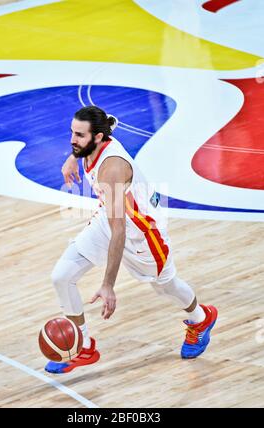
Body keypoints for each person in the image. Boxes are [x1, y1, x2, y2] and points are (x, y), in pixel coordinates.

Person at [45, 106, 218, 374]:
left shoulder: (112, 169)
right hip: (111, 216)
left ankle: (201, 319)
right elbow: (108, 124)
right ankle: (82, 346)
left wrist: (108, 285)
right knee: (62, 276)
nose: (72, 140)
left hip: (143, 232)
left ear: (98, 138)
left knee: (166, 287)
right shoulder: (94, 139)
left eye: (79, 135)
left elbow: (120, 232)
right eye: (72, 133)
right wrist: (72, 158)